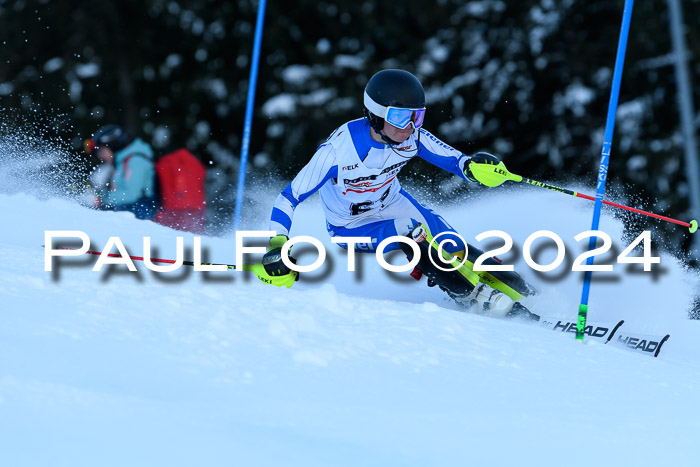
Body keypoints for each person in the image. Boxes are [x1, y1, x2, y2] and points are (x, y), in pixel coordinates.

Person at [262, 69, 536, 319]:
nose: (409, 126)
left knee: (450, 243)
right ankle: (474, 296)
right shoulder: (336, 152)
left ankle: (527, 293)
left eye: (417, 116)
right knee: (409, 231)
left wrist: (476, 168)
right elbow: (288, 197)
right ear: (376, 115)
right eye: (399, 117)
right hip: (351, 226)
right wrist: (277, 243)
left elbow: (457, 161)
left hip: (392, 202)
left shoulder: (411, 136)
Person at [84, 124, 157, 220]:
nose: (100, 157)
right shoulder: (122, 163)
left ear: (113, 146)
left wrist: (104, 201)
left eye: (102, 151)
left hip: (141, 216)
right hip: (129, 212)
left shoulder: (136, 161)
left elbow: (132, 195)